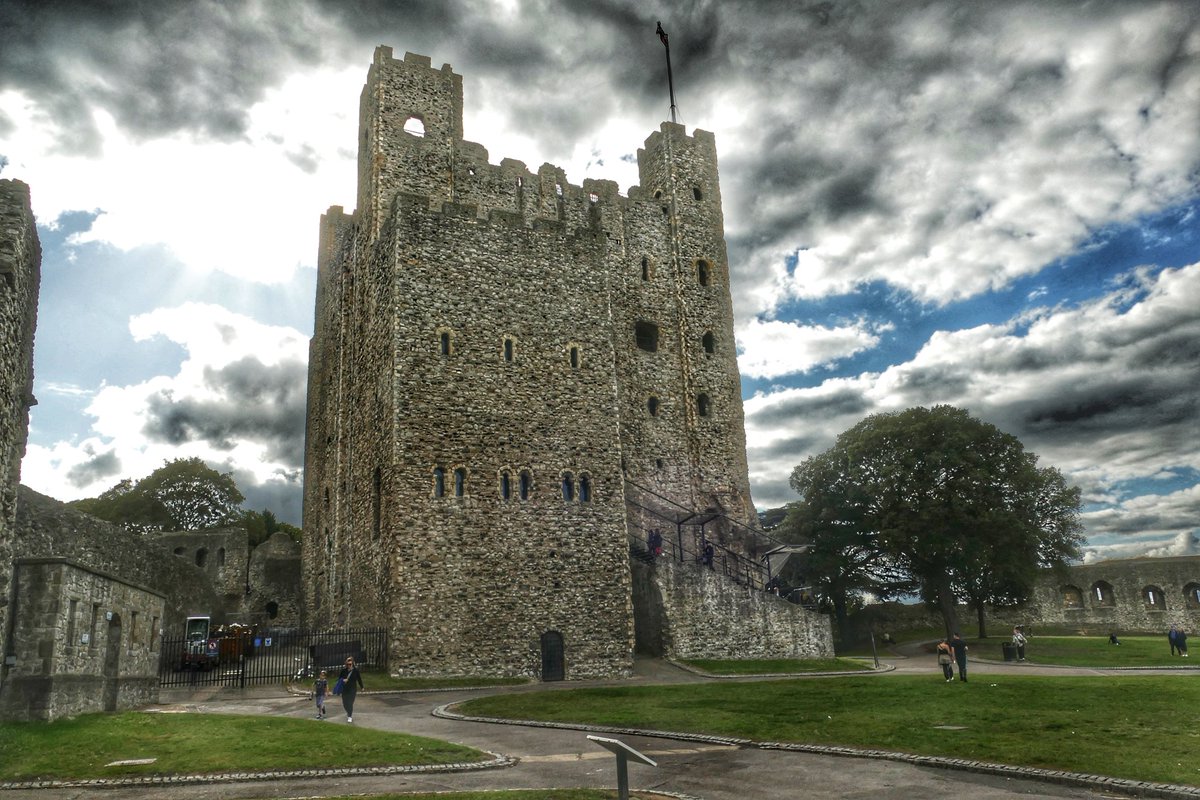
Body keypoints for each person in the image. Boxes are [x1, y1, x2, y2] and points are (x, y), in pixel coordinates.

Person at [337, 656, 364, 722]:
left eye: (350, 664)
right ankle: (348, 712)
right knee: (345, 703)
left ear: (353, 664)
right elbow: (339, 679)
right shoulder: (343, 671)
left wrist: (362, 687)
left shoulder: (355, 671)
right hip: (345, 689)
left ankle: (350, 716)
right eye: (348, 664)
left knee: (350, 703)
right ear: (346, 664)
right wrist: (343, 680)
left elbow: (359, 679)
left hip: (352, 689)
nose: (349, 665)